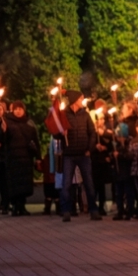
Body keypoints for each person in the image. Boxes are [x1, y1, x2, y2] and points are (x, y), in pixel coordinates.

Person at [58, 93, 100, 221]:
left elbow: (92, 133)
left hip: (84, 154)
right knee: (66, 184)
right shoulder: (63, 115)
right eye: (81, 99)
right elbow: (56, 134)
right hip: (69, 155)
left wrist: (89, 149)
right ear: (74, 100)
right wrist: (61, 132)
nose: (83, 100)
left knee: (88, 183)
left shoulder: (85, 114)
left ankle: (93, 210)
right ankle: (66, 211)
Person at [1, 102, 38, 215]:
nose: (18, 111)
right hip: (13, 158)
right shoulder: (7, 122)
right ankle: (15, 206)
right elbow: (3, 140)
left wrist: (38, 157)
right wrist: (3, 131)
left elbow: (35, 140)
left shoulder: (29, 123)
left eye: (20, 109)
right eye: (16, 109)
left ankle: (22, 206)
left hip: (26, 158)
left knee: (24, 184)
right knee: (15, 183)